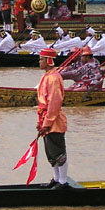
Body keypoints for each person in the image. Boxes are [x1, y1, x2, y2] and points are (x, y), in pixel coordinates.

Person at [36, 47, 70, 189]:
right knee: (50, 153)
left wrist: (48, 122)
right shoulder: (46, 76)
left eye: (42, 59)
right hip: (45, 117)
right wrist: (41, 122)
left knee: (58, 152)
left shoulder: (54, 78)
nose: (39, 62)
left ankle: (63, 181)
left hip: (54, 120)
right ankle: (56, 179)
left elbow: (55, 102)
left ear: (49, 61)